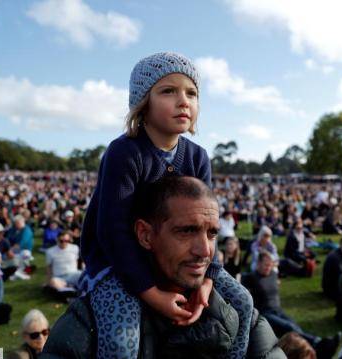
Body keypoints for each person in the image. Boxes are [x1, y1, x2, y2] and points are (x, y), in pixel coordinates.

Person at [77, 52, 253, 358]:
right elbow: (112, 231)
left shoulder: (198, 157)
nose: (183, 101)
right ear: (143, 102)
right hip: (119, 263)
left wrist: (207, 281)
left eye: (192, 93)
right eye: (168, 91)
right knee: (121, 342)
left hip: (180, 260)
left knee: (242, 303)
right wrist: (152, 294)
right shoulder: (124, 153)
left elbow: (207, 228)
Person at [43, 177, 284, 358]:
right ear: (146, 235)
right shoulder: (91, 323)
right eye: (187, 231)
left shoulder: (239, 312)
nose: (205, 250)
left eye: (211, 233)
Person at [243, 251, 340, 359]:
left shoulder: (273, 274)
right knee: (289, 327)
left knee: (295, 326)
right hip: (265, 313)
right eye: (266, 265)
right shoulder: (251, 277)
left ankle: (316, 348)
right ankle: (319, 342)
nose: (268, 267)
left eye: (270, 265)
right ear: (258, 264)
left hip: (277, 310)